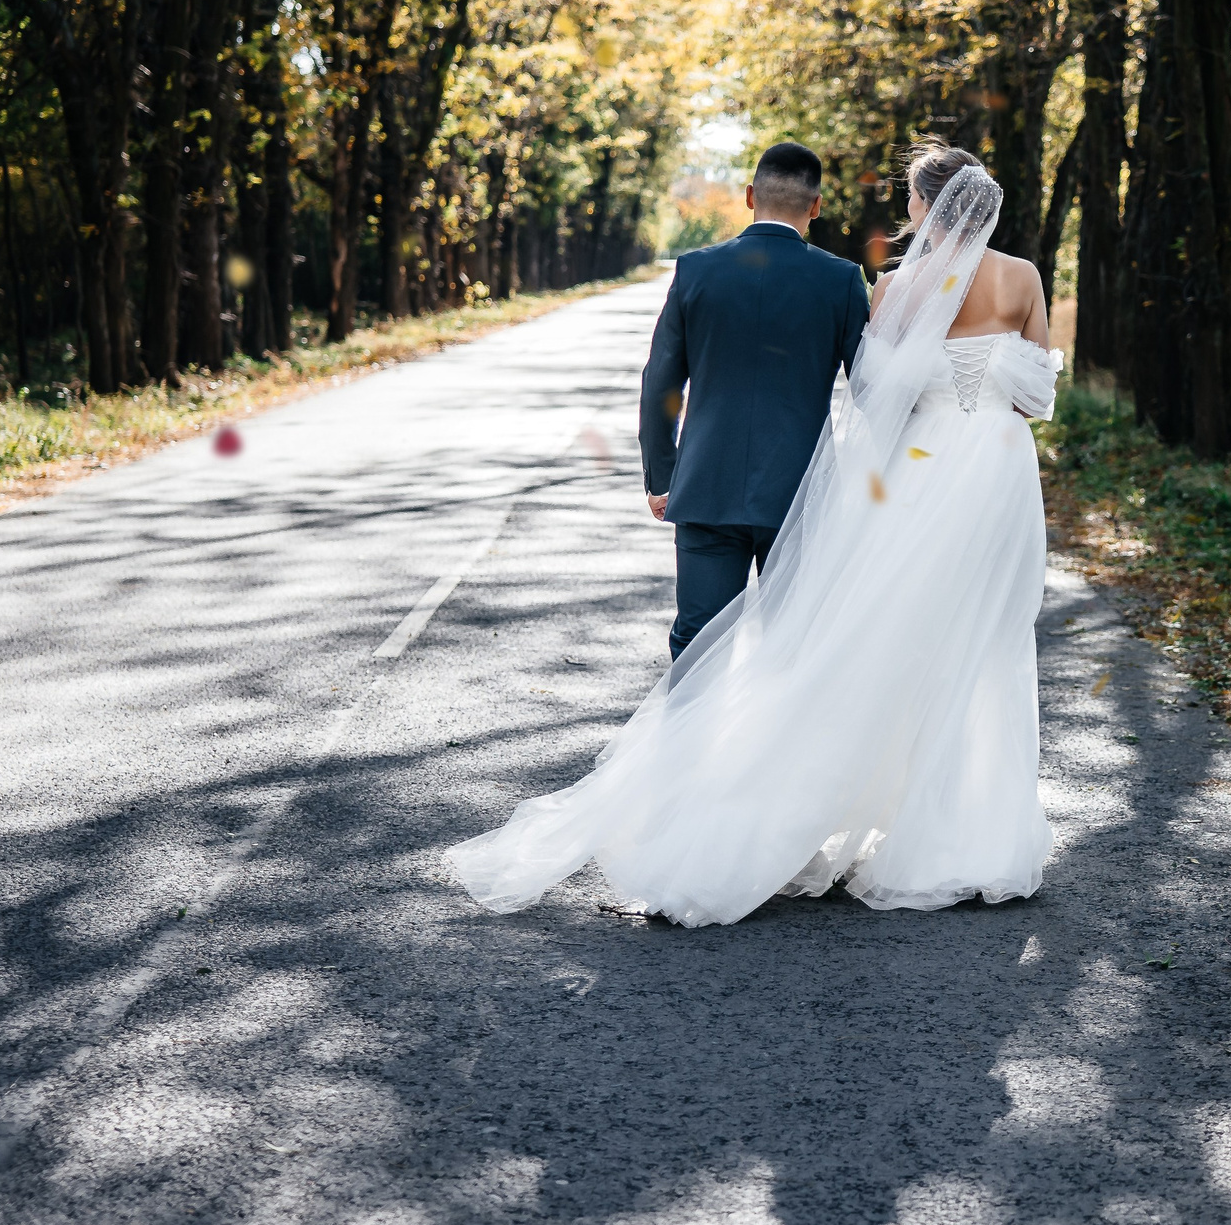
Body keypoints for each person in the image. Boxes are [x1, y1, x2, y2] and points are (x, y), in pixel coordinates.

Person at [447, 144, 1061, 926]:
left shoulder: (856, 281)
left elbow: (698, 378)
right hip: (990, 476)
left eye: (910, 198)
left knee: (726, 642)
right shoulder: (968, 279)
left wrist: (667, 473)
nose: (906, 210)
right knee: (972, 645)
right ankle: (967, 831)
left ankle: (700, 807)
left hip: (828, 476)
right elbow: (1020, 393)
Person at [635, 140, 870, 660]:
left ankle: (688, 742)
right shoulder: (841, 280)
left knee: (698, 642)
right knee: (793, 645)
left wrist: (662, 475)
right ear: (816, 205)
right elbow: (871, 390)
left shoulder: (696, 270)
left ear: (748, 196)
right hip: (800, 492)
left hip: (705, 486)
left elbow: (660, 382)